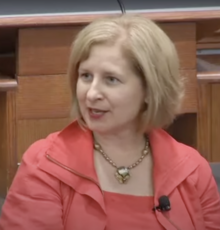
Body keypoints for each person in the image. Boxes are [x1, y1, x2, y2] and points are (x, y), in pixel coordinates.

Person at [0, 14, 220, 230]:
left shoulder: (192, 170)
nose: (91, 93)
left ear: (150, 90)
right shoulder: (45, 165)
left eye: (111, 79)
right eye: (86, 76)